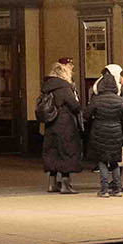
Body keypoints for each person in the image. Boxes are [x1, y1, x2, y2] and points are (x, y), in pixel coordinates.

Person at [37, 57, 84, 193]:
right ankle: (65, 185)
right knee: (67, 151)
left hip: (51, 123)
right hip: (65, 124)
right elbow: (75, 106)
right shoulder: (64, 87)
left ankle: (52, 184)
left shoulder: (47, 87)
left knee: (52, 151)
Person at [84, 64, 123, 197]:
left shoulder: (96, 100)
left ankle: (104, 190)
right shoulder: (120, 100)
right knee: (114, 161)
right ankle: (118, 189)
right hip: (116, 131)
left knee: (102, 160)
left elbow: (86, 115)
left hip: (100, 130)